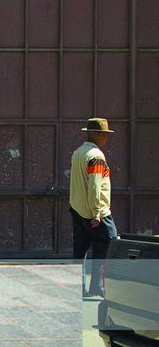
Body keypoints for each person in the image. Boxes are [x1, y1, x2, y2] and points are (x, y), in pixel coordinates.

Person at [70, 117, 117, 297]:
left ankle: (78, 287)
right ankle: (97, 287)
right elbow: (95, 185)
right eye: (104, 134)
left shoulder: (78, 152)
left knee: (80, 251)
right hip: (95, 212)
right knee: (107, 243)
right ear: (96, 134)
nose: (106, 137)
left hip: (78, 209)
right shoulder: (96, 156)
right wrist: (96, 212)